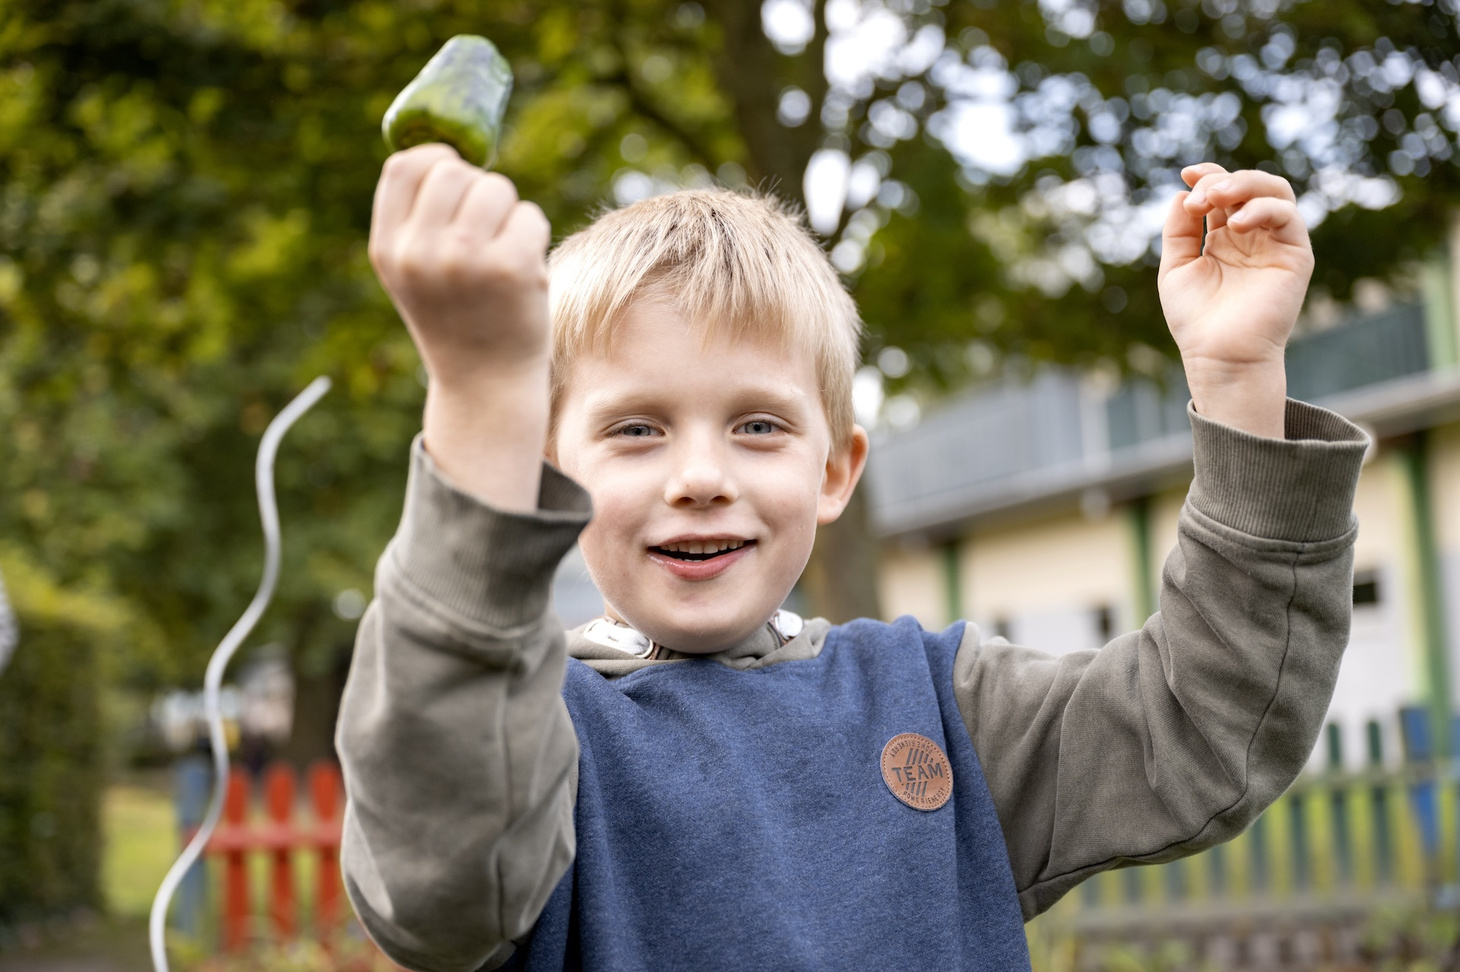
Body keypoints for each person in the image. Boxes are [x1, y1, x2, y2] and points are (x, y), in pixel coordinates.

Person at [336, 144, 1367, 972]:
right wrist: (478, 403)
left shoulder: (939, 705)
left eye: (755, 426)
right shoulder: (528, 729)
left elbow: (1198, 731)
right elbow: (436, 898)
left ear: (835, 471)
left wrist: (1235, 380)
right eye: (635, 430)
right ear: (551, 470)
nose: (699, 474)